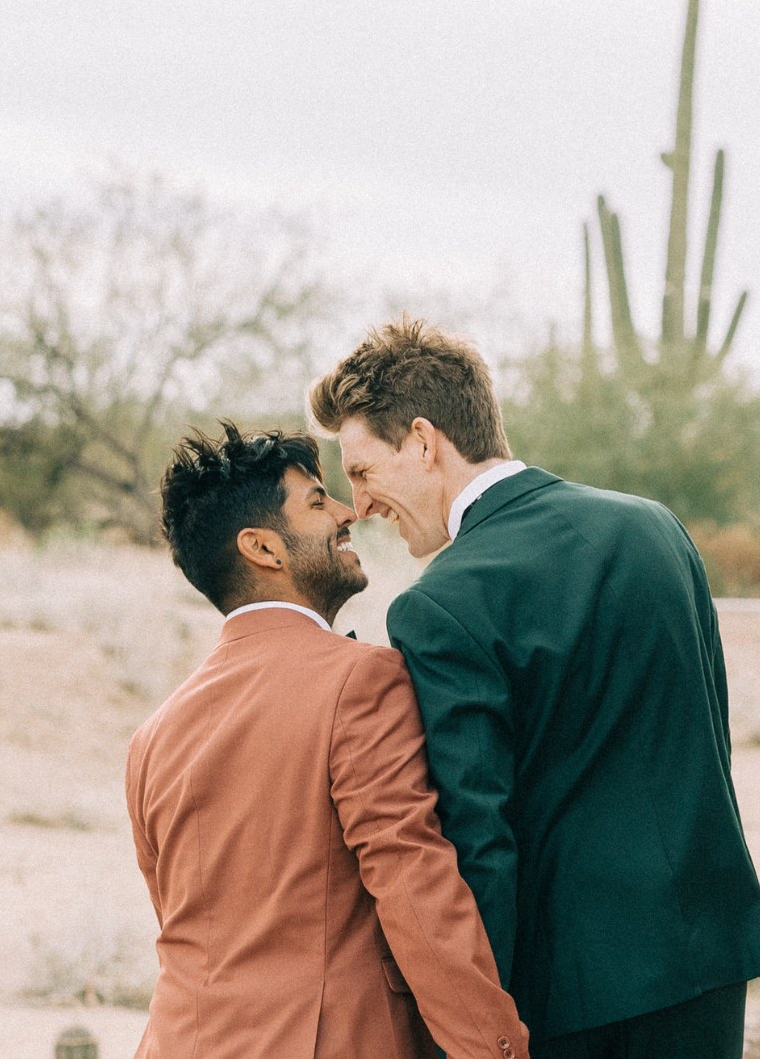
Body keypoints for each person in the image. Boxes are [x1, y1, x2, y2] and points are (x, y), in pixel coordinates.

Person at [308, 318, 760, 1059]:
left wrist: (473, 1029)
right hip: (709, 954)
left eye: (362, 472)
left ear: (424, 442)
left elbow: (477, 842)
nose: (360, 504)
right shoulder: (655, 529)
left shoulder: (440, 603)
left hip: (573, 996)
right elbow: (707, 738)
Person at [128, 422, 529, 1059]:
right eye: (317, 502)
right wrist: (495, 1048)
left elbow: (189, 925)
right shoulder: (360, 681)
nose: (348, 512)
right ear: (263, 547)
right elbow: (413, 888)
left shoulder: (153, 736)